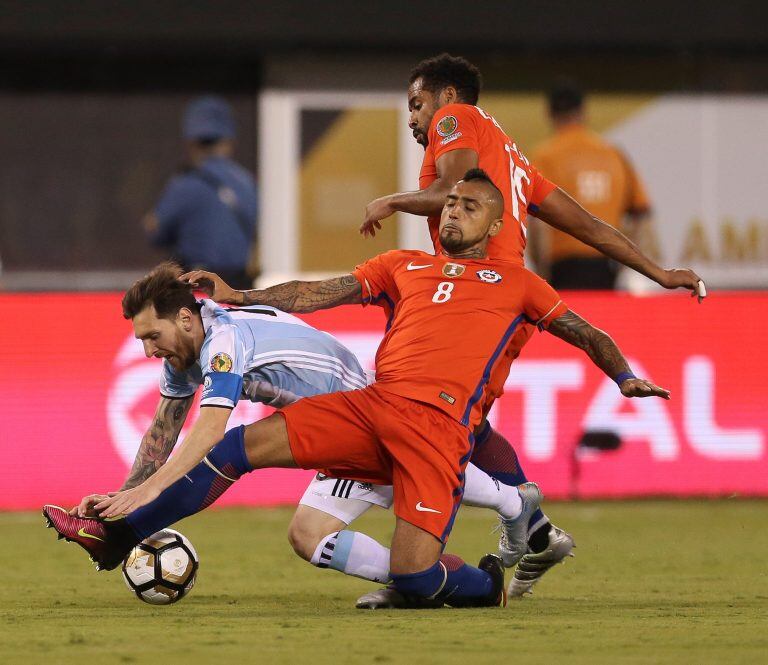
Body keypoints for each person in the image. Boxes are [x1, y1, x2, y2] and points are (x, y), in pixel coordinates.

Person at [44, 170, 671, 610]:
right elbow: (322, 293)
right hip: (371, 406)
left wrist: (623, 376)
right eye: (448, 202)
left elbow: (587, 332)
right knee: (238, 449)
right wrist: (247, 295)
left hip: (436, 429)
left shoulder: (522, 286)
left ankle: (490, 576)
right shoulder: (404, 264)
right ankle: (114, 541)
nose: (452, 210)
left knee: (416, 577)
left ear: (497, 224)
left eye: (469, 206)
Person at [357, 53, 705, 600]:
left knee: (438, 424)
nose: (414, 120)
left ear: (447, 96)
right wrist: (658, 272)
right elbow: (588, 226)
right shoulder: (513, 155)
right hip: (500, 298)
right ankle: (536, 532)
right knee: (460, 424)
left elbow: (445, 190)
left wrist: (390, 200)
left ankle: (423, 574)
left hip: (481, 297)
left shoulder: (458, 121)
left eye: (416, 104)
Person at [66, 261, 540, 589]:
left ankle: (510, 504)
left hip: (364, 412)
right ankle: (482, 534)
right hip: (329, 425)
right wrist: (120, 501)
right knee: (308, 535)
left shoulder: (225, 341)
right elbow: (160, 438)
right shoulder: (188, 348)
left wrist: (141, 500)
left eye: (153, 335)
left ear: (186, 318)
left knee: (235, 450)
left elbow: (207, 433)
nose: (149, 350)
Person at [528, 81, 653, 289]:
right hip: (606, 262)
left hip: (562, 264)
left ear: (549, 114)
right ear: (583, 112)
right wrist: (625, 261)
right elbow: (640, 214)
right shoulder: (613, 153)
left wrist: (542, 269)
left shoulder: (544, 156)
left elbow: (538, 223)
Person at [143, 96, 258, 290]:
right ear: (229, 140)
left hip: (198, 289)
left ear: (191, 141)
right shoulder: (246, 181)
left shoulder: (185, 183)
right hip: (238, 289)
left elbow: (156, 234)